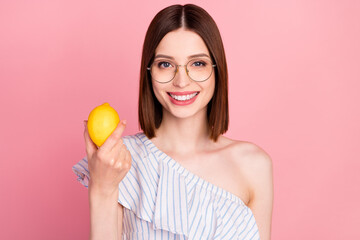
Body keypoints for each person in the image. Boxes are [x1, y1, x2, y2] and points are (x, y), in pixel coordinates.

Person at [73, 4, 273, 240]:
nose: (181, 81)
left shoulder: (253, 165)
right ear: (149, 71)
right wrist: (102, 187)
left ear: (217, 70)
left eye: (197, 63)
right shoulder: (120, 160)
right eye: (165, 64)